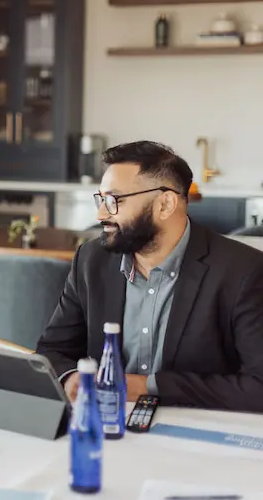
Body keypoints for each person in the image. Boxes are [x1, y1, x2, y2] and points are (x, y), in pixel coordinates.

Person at [36, 141, 263, 412]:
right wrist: (72, 376)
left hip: (194, 432)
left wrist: (148, 386)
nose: (100, 214)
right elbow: (51, 352)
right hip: (108, 422)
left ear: (165, 204)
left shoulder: (243, 270)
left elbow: (258, 385)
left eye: (114, 200)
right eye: (101, 199)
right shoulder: (90, 260)